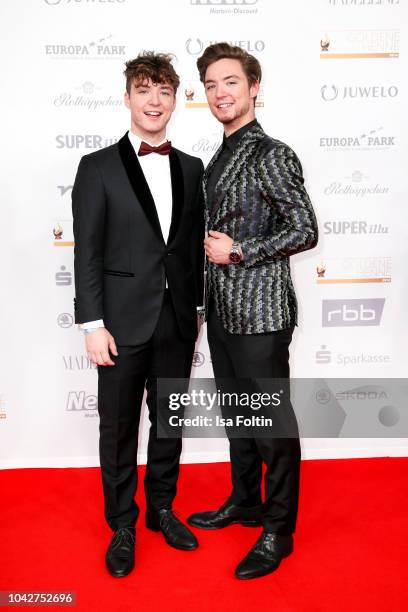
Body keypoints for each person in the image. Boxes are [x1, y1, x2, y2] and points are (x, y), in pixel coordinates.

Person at [187, 43, 318, 580]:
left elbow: (305, 230)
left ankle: (279, 528)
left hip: (262, 315)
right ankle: (245, 500)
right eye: (212, 85)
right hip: (222, 314)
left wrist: (241, 251)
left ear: (254, 87)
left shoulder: (271, 153)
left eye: (231, 82)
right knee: (239, 421)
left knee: (271, 426)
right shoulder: (218, 155)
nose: (221, 93)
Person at [72, 52, 204, 578]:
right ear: (127, 97)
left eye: (165, 91)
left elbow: (188, 248)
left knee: (169, 423)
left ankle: (162, 509)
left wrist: (194, 310)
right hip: (119, 325)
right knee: (120, 427)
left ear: (176, 100)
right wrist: (91, 323)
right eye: (145, 90)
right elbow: (88, 252)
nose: (155, 101)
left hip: (176, 321)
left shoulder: (191, 168)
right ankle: (122, 522)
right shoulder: (98, 167)